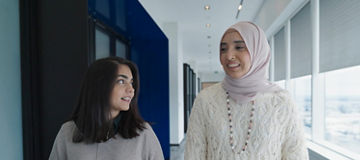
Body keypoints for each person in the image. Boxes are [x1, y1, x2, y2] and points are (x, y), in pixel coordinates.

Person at [184, 21, 308, 160]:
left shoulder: (281, 101)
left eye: (239, 47)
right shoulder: (206, 100)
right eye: (223, 49)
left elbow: (296, 154)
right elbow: (193, 154)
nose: (229, 55)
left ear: (258, 51)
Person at [49, 57, 164, 160]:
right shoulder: (68, 131)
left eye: (131, 82)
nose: (131, 89)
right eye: (121, 81)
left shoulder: (142, 133)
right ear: (99, 86)